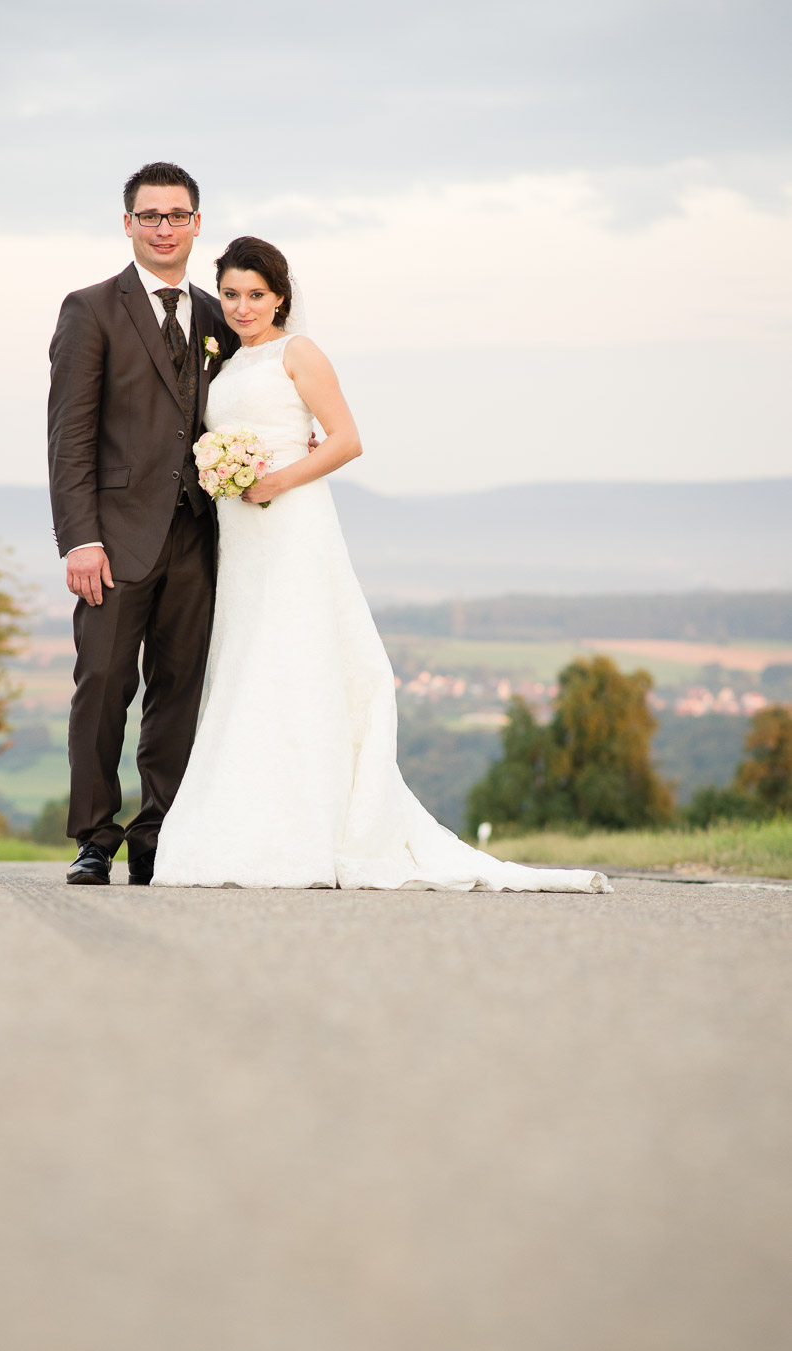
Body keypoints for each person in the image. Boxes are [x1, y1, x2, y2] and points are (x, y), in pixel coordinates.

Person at [152, 236, 610, 893]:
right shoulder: (224, 362)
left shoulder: (298, 352)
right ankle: (248, 817)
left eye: (256, 294)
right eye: (230, 294)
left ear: (280, 295)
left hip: (290, 524)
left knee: (293, 656)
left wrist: (276, 481)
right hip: (240, 535)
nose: (242, 306)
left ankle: (306, 826)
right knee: (249, 662)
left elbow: (346, 440)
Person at [47, 161, 239, 885]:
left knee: (179, 691)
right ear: (127, 224)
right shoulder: (90, 309)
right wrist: (81, 539)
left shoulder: (219, 316)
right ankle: (94, 837)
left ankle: (157, 833)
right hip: (113, 539)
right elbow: (68, 436)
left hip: (200, 536)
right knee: (100, 684)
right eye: (150, 215)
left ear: (197, 223)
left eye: (177, 214)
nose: (164, 227)